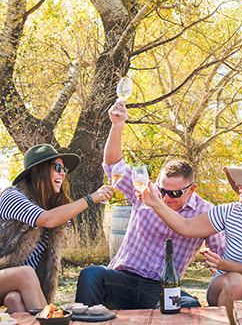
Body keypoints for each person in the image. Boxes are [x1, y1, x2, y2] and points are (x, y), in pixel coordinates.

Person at [74, 100, 225, 310]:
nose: (166, 198)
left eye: (175, 193)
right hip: (123, 279)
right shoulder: (144, 190)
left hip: (160, 288)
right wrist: (117, 125)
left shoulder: (205, 211)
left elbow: (222, 256)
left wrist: (220, 262)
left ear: (192, 189)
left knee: (190, 305)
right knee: (90, 275)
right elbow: (112, 166)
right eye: (163, 190)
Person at [140, 156, 242, 313]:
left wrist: (224, 264)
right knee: (236, 281)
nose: (237, 184)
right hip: (226, 285)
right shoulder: (229, 211)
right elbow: (186, 226)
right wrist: (156, 203)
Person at [0, 144, 115, 313]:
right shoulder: (12, 196)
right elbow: (47, 219)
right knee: (25, 273)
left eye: (64, 169)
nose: (63, 173)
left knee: (15, 300)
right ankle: (52, 323)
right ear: (39, 171)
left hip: (18, 286)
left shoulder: (54, 208)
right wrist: (91, 198)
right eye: (57, 167)